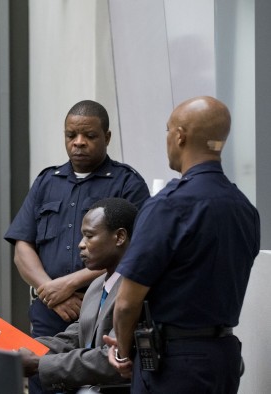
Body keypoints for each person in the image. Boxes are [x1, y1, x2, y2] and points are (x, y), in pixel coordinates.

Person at [105, 96, 260, 393]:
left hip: (173, 363)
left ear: (179, 135)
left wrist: (124, 352)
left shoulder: (167, 206)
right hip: (224, 358)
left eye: (167, 131)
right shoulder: (244, 209)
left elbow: (126, 303)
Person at [0, 197, 137, 393]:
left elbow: (109, 359)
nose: (81, 245)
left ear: (119, 237)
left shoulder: (135, 291)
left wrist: (38, 363)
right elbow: (72, 339)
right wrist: (11, 349)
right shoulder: (96, 286)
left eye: (89, 236)